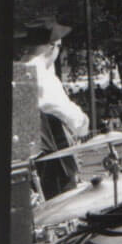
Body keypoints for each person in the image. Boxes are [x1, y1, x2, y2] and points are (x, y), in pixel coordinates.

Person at [16, 17, 90, 201]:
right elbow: (73, 119)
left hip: (25, 164)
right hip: (53, 162)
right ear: (53, 46)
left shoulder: (18, 71)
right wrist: (83, 122)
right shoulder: (42, 75)